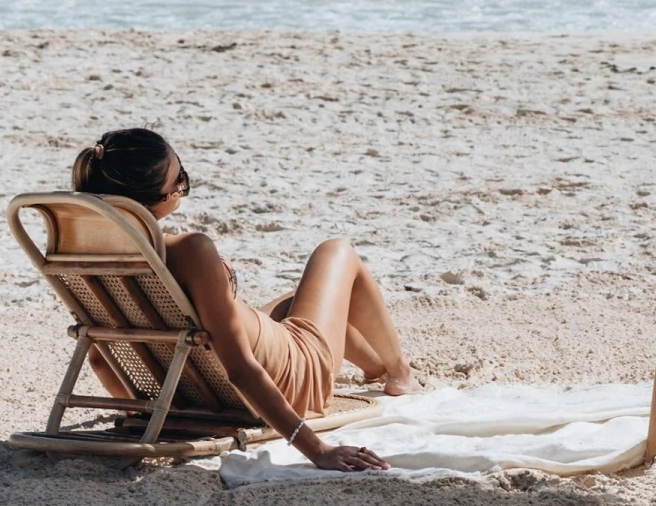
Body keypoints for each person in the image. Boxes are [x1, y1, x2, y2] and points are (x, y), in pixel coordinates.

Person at [73, 127, 413, 473]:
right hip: (289, 377)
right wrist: (317, 450)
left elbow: (99, 358)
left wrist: (139, 413)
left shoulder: (89, 255)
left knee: (293, 302)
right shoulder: (190, 251)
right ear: (156, 197)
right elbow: (239, 369)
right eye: (181, 180)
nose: (182, 188)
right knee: (337, 251)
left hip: (191, 387)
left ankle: (373, 366)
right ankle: (400, 372)